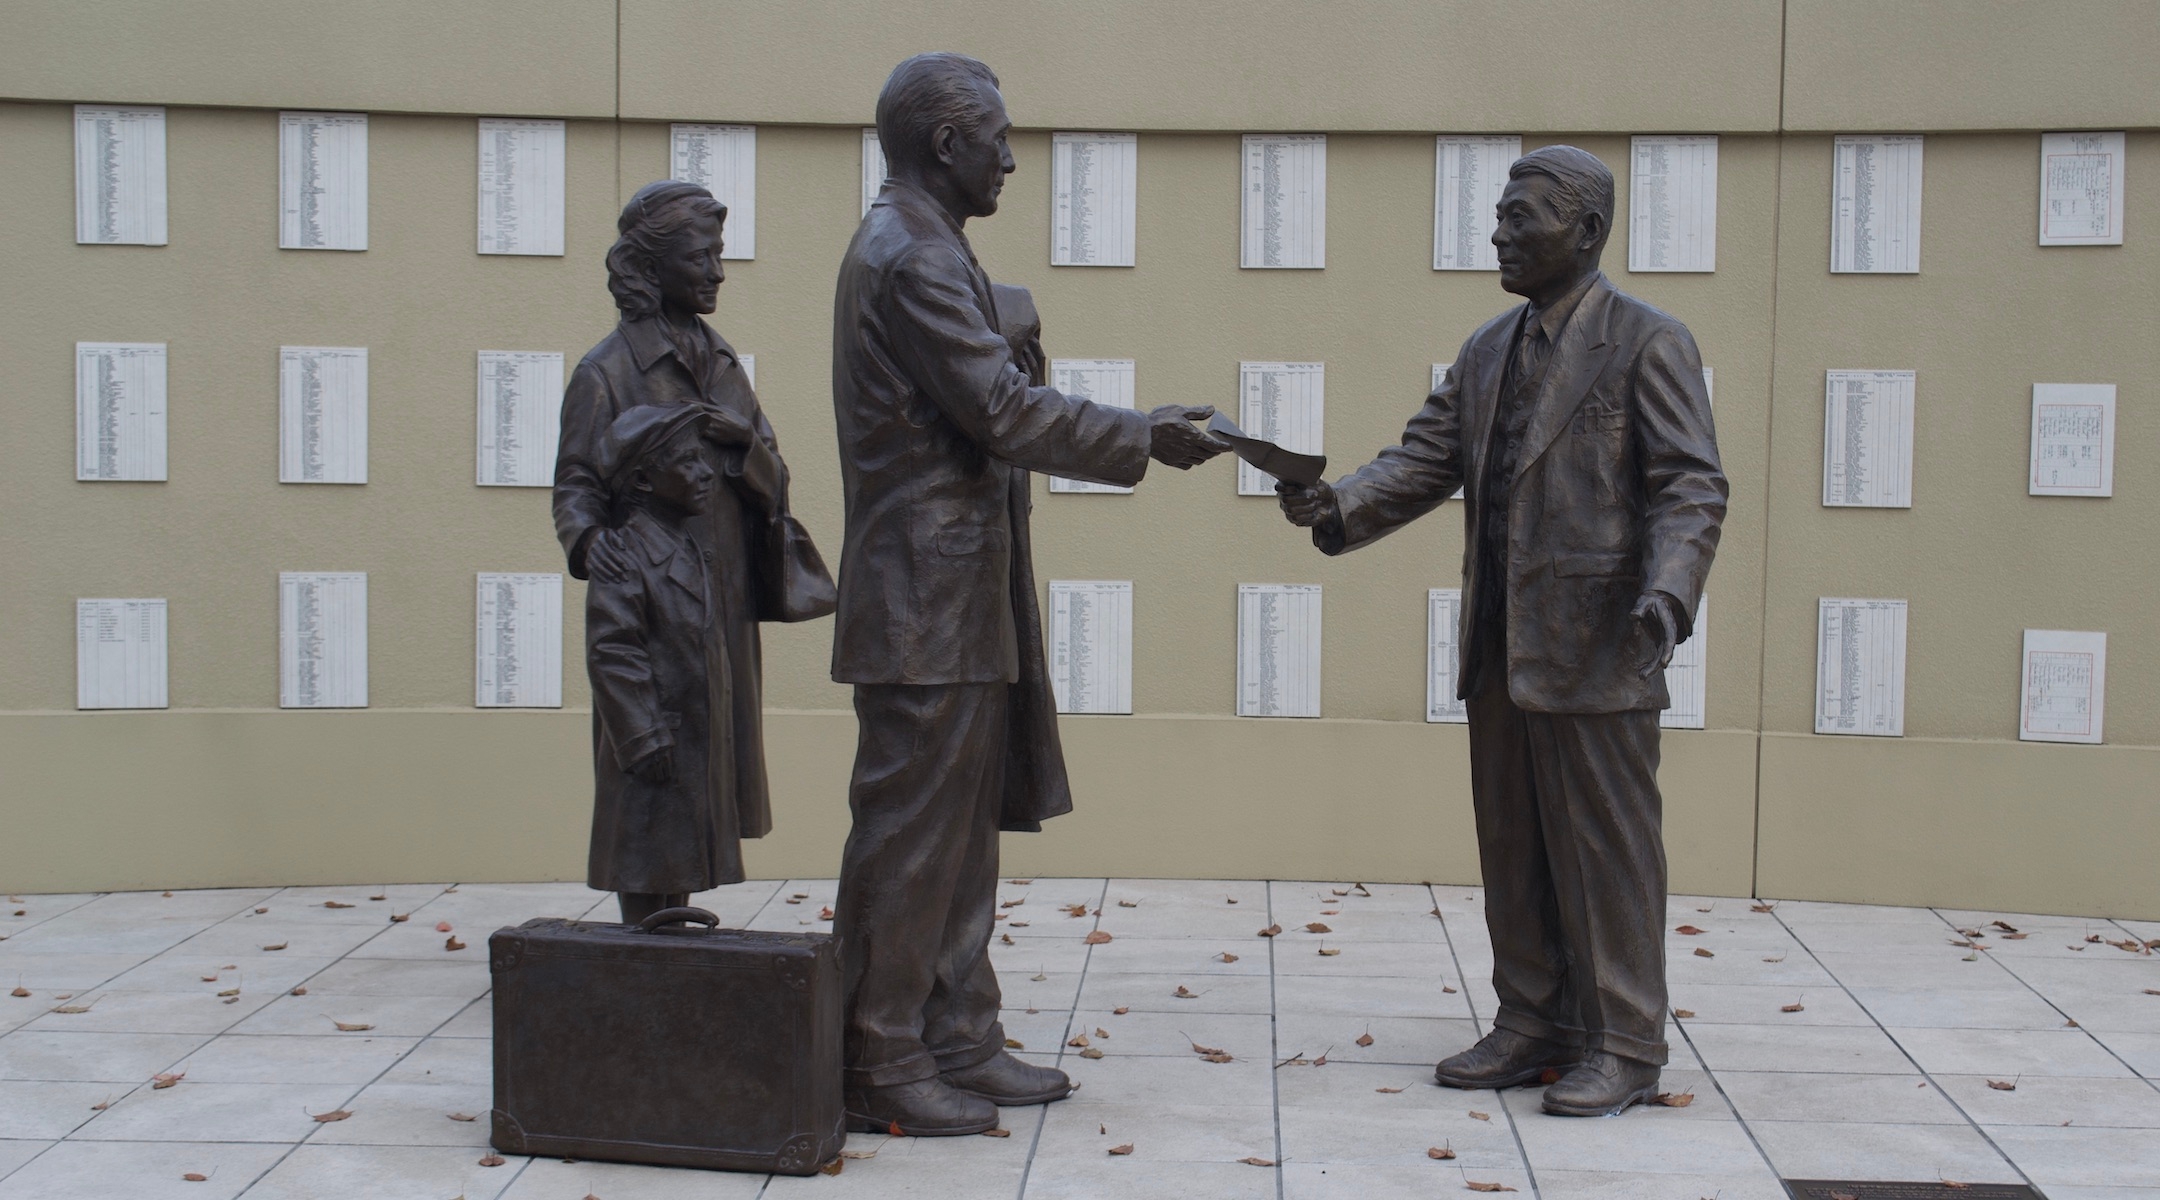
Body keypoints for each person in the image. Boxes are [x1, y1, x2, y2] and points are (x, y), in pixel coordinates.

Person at [1276, 146, 1727, 1117]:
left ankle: (1626, 1040)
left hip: (1605, 642)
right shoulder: (1487, 350)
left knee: (1608, 851)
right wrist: (1336, 507)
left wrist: (1671, 590)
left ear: (1589, 231)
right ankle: (1534, 1019)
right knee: (1513, 845)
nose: (1500, 233)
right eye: (1500, 215)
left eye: (1523, 217)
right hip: (1502, 650)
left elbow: (1690, 484)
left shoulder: (1649, 342)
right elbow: (1423, 459)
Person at [828, 52, 1228, 1135]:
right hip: (923, 599)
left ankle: (957, 1034)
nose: (1013, 156)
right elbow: (1000, 411)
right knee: (912, 835)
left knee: (960, 833)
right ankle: (879, 1054)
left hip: (956, 592)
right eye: (999, 136)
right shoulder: (908, 254)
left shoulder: (933, 246)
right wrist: (1141, 435)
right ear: (946, 144)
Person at [555, 180, 833, 925]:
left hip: (722, 592)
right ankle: (646, 922)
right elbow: (575, 484)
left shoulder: (720, 360)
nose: (716, 271)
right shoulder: (605, 371)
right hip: (650, 590)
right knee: (649, 761)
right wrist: (593, 545)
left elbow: (775, 477)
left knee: (705, 763)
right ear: (652, 266)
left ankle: (675, 920)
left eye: (718, 255)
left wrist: (745, 445)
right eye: (701, 256)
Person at [580, 405, 735, 915]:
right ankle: (646, 964)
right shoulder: (625, 555)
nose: (706, 472)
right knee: (648, 865)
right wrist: (643, 736)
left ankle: (670, 956)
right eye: (689, 462)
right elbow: (612, 651)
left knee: (676, 862)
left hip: (687, 742)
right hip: (654, 745)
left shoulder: (686, 547)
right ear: (644, 480)